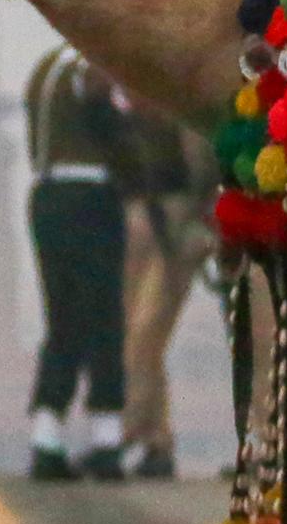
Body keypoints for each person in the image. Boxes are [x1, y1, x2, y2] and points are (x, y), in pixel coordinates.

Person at [19, 44, 133, 481]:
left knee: (63, 319)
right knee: (104, 314)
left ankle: (46, 437)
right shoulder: (94, 65)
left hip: (47, 195)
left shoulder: (45, 67)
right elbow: (115, 127)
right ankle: (107, 438)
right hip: (91, 196)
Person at [115, 117, 219, 480]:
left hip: (173, 217)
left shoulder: (173, 107)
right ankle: (152, 439)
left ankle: (136, 427)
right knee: (135, 334)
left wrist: (199, 220)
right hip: (137, 213)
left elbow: (201, 167)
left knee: (145, 333)